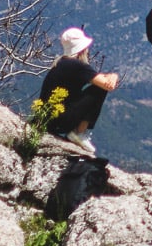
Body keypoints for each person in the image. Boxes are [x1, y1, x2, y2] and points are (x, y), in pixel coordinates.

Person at [37, 26, 119, 155]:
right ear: (82, 49)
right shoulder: (78, 66)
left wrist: (109, 77)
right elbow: (107, 85)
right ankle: (79, 133)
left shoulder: (61, 63)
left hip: (47, 119)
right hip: (59, 121)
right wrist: (114, 76)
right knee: (98, 90)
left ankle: (77, 132)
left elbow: (99, 78)